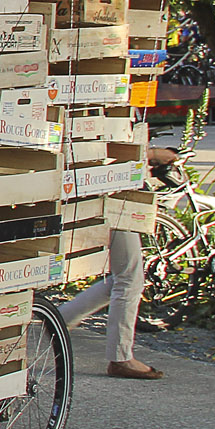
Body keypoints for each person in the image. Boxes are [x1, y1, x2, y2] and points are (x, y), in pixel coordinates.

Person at [59, 141, 178, 379]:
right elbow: (109, 142)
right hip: (109, 191)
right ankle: (121, 358)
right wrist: (154, 154)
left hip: (104, 186)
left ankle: (61, 321)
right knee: (130, 276)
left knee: (123, 276)